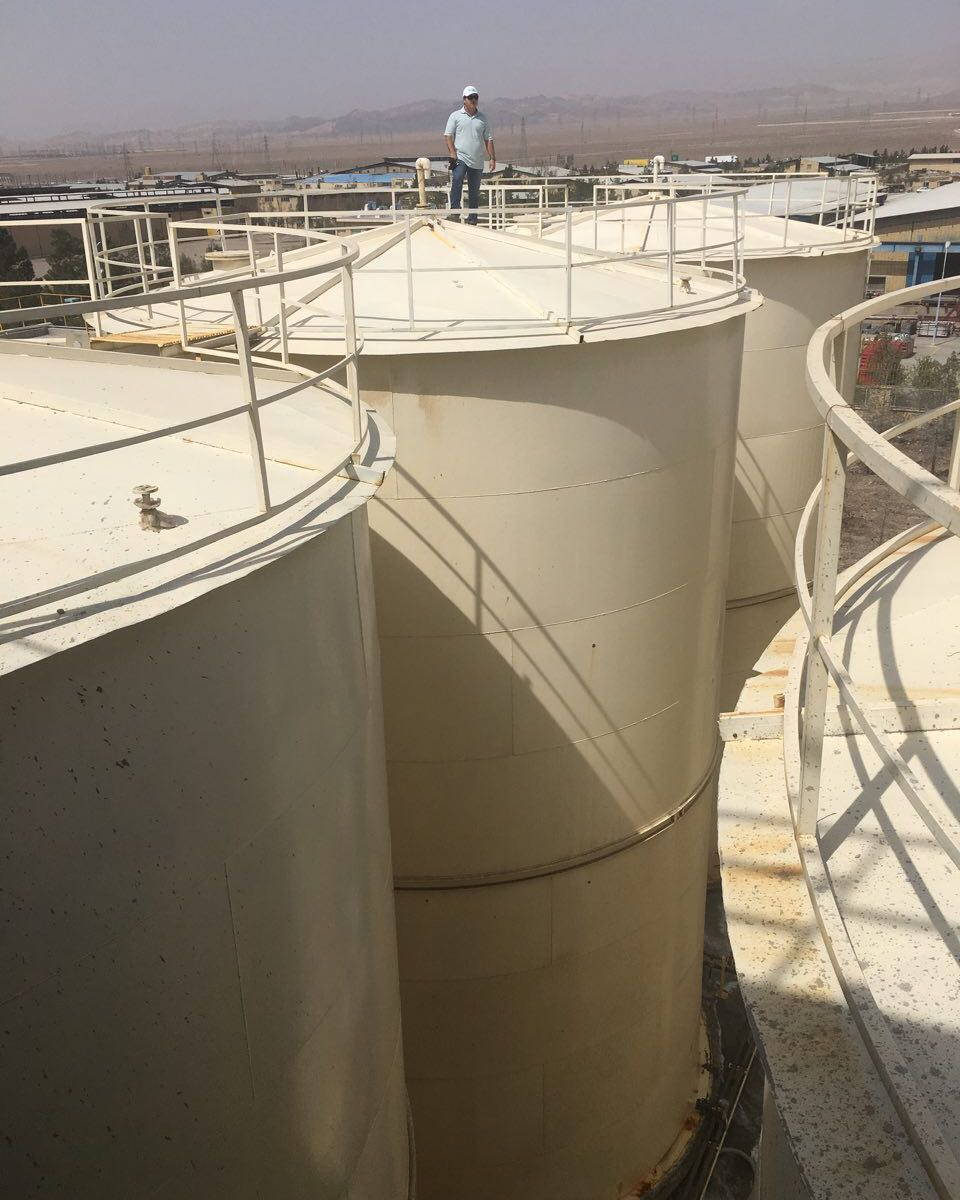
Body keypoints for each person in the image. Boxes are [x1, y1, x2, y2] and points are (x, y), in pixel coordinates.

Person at [443, 86, 495, 224]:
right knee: (458, 178)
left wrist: (492, 158)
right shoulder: (455, 116)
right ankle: (455, 211)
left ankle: (472, 217)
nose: (473, 100)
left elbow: (488, 139)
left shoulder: (482, 118)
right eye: (470, 97)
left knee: (474, 189)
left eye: (475, 97)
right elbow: (448, 135)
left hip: (477, 159)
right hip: (461, 157)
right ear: (464, 99)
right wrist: (453, 153)